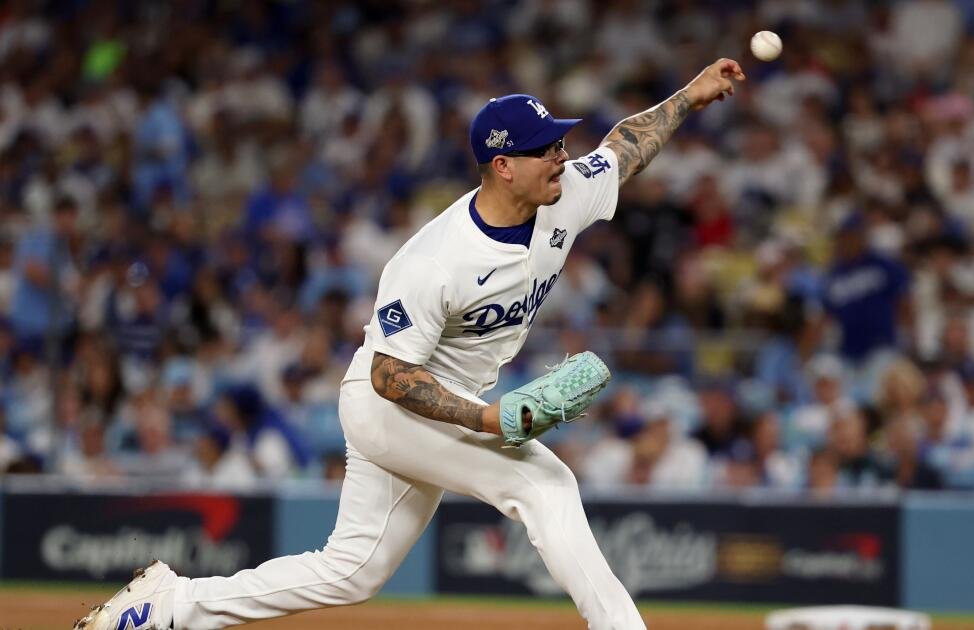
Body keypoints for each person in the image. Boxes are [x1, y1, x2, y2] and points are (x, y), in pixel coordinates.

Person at [75, 58, 745, 630]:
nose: (561, 156)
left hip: (435, 402)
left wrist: (691, 94)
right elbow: (390, 375)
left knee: (353, 571)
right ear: (503, 166)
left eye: (559, 143)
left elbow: (624, 148)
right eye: (545, 148)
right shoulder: (436, 260)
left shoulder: (564, 193)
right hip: (389, 403)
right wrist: (486, 418)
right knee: (547, 484)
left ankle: (171, 606)